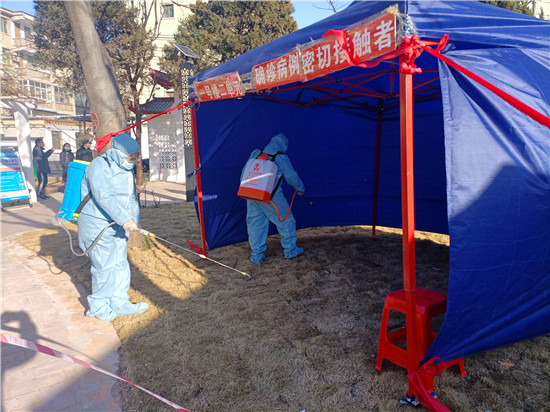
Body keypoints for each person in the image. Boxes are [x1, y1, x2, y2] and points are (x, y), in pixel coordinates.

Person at [77, 133, 147, 321]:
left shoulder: (126, 169)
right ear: (117, 152)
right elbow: (103, 195)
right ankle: (99, 306)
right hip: (98, 224)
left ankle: (119, 302)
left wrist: (135, 219)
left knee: (120, 263)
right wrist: (125, 219)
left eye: (136, 157)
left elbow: (131, 198)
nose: (133, 161)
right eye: (130, 157)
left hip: (118, 225)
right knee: (104, 266)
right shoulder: (99, 166)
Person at [241, 133, 305, 264]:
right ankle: (291, 250)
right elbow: (291, 177)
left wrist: (247, 189)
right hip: (271, 197)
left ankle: (256, 255)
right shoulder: (280, 157)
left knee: (255, 224)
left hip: (251, 194)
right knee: (286, 220)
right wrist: (300, 188)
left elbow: (244, 172)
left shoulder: (256, 152)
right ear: (283, 145)